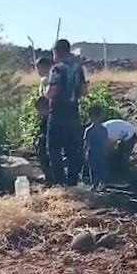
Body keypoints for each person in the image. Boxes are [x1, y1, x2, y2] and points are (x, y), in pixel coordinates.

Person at [45, 39, 88, 186]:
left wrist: (46, 92)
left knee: (54, 149)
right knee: (73, 150)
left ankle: (60, 183)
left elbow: (52, 92)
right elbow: (84, 90)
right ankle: (73, 181)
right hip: (74, 113)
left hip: (57, 114)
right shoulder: (78, 69)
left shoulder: (56, 69)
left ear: (58, 52)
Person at [84, 105, 109, 191]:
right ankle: (95, 184)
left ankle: (102, 184)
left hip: (99, 152)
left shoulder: (100, 129)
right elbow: (86, 143)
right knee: (94, 169)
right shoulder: (91, 130)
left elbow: (86, 143)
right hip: (95, 152)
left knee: (100, 168)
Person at [34, 95, 53, 183]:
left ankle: (51, 178)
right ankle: (48, 176)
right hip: (45, 141)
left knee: (47, 159)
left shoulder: (51, 117)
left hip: (51, 141)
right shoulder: (45, 117)